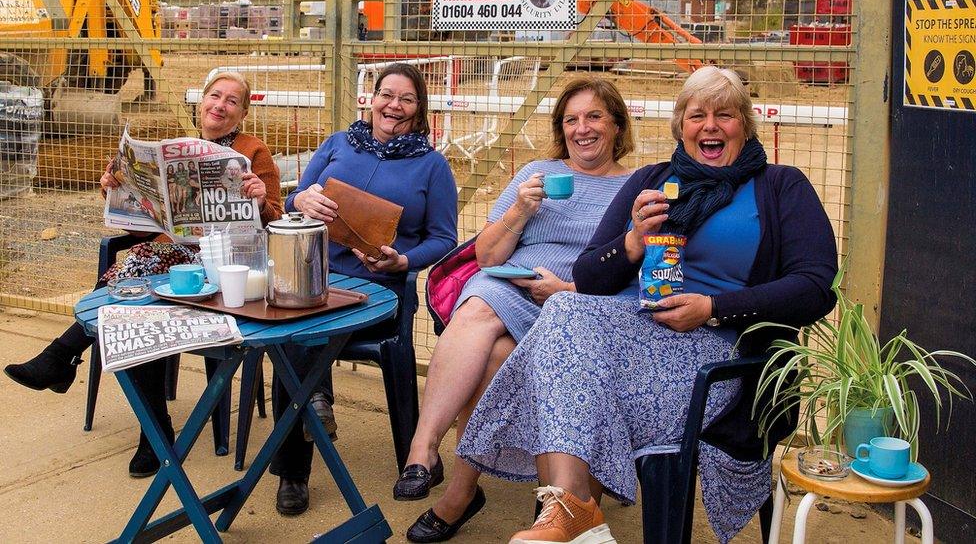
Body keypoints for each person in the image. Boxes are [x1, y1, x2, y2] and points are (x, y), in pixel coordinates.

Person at [455, 66, 839, 544]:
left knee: (562, 356)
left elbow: (816, 287)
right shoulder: (652, 181)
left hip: (722, 356)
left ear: (747, 123)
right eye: (697, 115)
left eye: (725, 115)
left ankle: (567, 516)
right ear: (680, 127)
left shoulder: (781, 186)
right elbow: (591, 277)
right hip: (637, 334)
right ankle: (571, 511)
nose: (711, 126)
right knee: (564, 313)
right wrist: (634, 240)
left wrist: (713, 306)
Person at [4, 71, 284, 477]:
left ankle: (61, 357)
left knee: (134, 284)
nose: (220, 105)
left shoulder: (253, 151)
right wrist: (114, 189)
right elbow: (138, 226)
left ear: (242, 113)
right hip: (166, 256)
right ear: (201, 102)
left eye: (231, 101)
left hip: (222, 265)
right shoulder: (170, 147)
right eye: (214, 96)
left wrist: (258, 199)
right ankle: (155, 432)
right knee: (134, 302)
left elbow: (274, 220)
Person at [394, 78, 636, 543]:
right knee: (480, 302)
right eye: (571, 120)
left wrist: (567, 289)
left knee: (494, 358)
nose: (581, 129)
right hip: (510, 288)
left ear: (617, 125)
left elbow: (631, 270)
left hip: (577, 305)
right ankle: (423, 450)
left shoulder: (632, 187)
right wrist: (519, 212)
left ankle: (468, 496)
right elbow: (486, 257)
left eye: (593, 117)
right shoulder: (536, 172)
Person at [273, 62, 458, 516]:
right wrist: (302, 199)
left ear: (419, 111)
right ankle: (295, 470)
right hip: (319, 276)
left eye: (406, 99)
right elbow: (292, 199)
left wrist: (404, 260)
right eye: (386, 95)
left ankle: (314, 404)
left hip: (381, 287)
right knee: (288, 324)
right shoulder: (338, 144)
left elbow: (444, 238)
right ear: (370, 99)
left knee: (294, 337)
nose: (393, 105)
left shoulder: (433, 166)